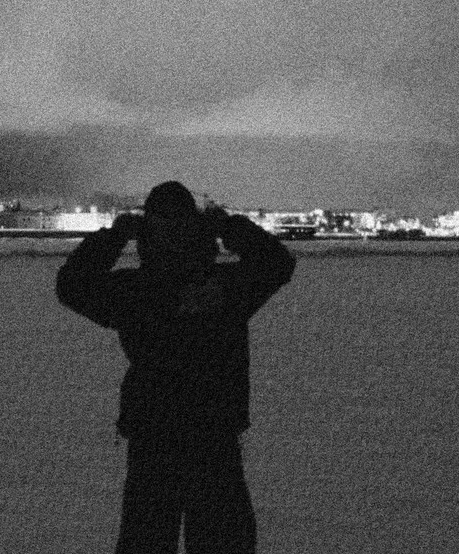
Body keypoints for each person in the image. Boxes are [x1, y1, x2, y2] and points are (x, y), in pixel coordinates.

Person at [56, 181, 296, 554]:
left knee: (147, 541)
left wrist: (115, 236)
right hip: (212, 435)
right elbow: (277, 262)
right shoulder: (226, 285)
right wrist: (227, 225)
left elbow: (72, 285)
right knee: (220, 541)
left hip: (157, 436)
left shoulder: (135, 290)